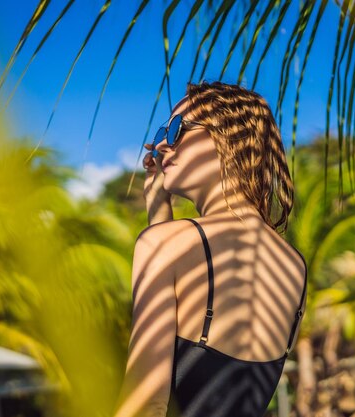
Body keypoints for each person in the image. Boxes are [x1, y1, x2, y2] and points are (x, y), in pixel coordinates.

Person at [112, 81, 307, 417]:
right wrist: (159, 209)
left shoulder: (166, 245)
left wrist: (158, 229)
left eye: (175, 130)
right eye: (163, 131)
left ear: (226, 136)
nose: (160, 144)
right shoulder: (294, 268)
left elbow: (147, 403)